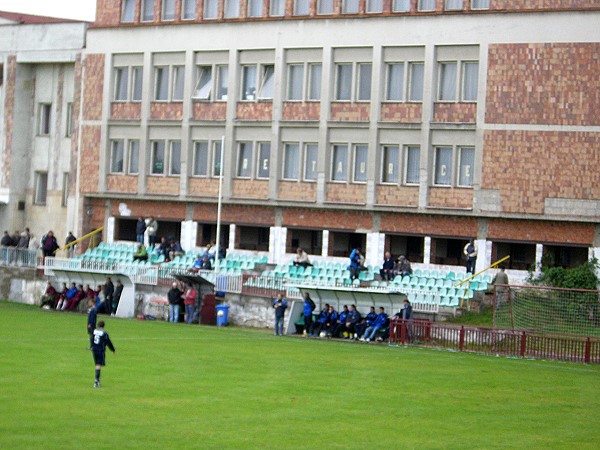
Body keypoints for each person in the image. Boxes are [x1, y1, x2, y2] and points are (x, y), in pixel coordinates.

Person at [90, 320, 115, 388]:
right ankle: (96, 381)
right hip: (100, 350)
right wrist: (112, 349)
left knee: (97, 365)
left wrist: (92, 346)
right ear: (103, 326)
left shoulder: (94, 331)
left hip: (94, 350)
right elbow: (108, 342)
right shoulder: (104, 333)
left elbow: (92, 339)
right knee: (99, 365)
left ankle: (97, 381)